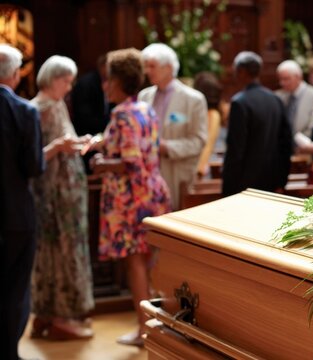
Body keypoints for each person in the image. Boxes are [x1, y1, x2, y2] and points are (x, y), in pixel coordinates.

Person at [91, 48, 171, 346]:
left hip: (131, 198)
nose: (105, 85)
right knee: (149, 261)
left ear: (120, 81)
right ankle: (153, 326)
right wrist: (101, 143)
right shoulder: (144, 108)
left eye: (108, 79)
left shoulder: (122, 113)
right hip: (150, 192)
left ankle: (144, 329)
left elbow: (130, 161)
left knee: (135, 263)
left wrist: (102, 164)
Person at [29, 55, 95, 340]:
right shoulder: (40, 107)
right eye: (66, 81)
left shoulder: (53, 105)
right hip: (56, 194)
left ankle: (48, 314)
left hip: (63, 192)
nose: (69, 87)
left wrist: (83, 142)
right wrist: (61, 147)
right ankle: (59, 316)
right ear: (53, 78)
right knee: (60, 252)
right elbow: (33, 157)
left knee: (56, 251)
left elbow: (64, 143)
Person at [0, 44, 44, 360]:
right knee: (16, 289)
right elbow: (34, 167)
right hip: (15, 214)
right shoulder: (25, 111)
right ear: (15, 75)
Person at [139, 43, 207, 210]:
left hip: (176, 174)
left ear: (168, 67)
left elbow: (199, 141)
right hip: (146, 174)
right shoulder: (144, 96)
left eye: (152, 66)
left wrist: (167, 147)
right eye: (146, 66)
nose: (147, 71)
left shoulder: (193, 99)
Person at [222, 51, 292, 196]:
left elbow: (236, 149)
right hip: (272, 180)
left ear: (241, 71)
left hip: (245, 185)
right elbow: (286, 144)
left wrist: (227, 189)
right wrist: (281, 181)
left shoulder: (239, 103)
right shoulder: (275, 99)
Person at [71, 54, 112, 173]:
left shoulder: (112, 82)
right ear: (101, 66)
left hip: (102, 135)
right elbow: (83, 117)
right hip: (87, 135)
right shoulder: (86, 84)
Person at [275, 59, 313, 138]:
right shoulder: (279, 96)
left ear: (298, 77)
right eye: (280, 79)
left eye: (286, 79)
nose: (282, 83)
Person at [193, 71, 223, 178]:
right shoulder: (202, 112)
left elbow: (208, 145)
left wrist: (199, 170)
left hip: (203, 167)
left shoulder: (213, 115)